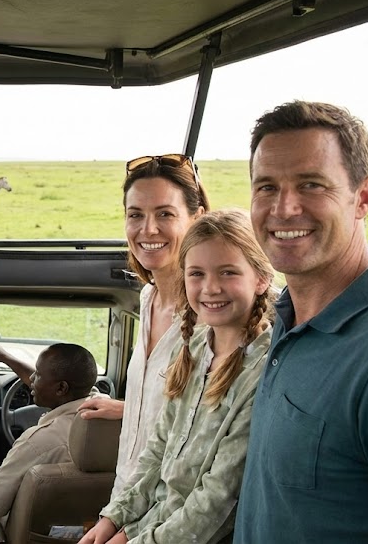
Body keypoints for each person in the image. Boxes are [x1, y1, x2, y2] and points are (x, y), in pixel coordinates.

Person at [233, 101, 368, 543]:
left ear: (363, 197)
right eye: (266, 187)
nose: (285, 208)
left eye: (311, 185)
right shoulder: (290, 314)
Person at [80, 209, 274, 544]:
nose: (210, 288)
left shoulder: (261, 371)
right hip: (149, 525)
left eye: (228, 272)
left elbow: (218, 499)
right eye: (196, 274)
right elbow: (157, 451)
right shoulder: (193, 348)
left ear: (261, 278)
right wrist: (114, 519)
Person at [76, 154, 210, 500]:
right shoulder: (148, 297)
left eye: (165, 214)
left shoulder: (213, 317)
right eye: (135, 215)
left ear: (197, 219)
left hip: (170, 512)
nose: (148, 230)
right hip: (125, 497)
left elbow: (211, 428)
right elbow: (176, 404)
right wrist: (126, 406)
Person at [0, 341, 98, 522]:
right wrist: (5, 357)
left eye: (38, 375)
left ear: (61, 388)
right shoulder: (106, 411)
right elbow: (50, 380)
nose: (31, 379)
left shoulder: (38, 442)